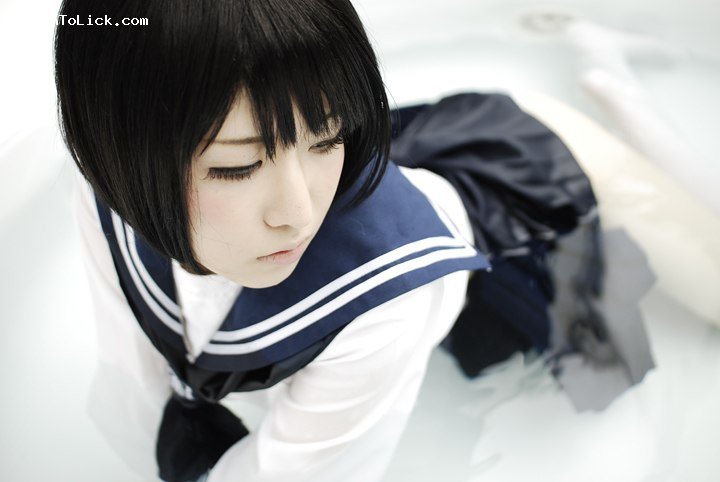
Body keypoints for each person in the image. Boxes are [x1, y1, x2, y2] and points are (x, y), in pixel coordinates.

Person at [54, 0, 596, 481]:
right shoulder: (114, 176)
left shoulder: (390, 295)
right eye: (238, 167)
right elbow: (130, 373)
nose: (299, 214)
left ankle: (605, 70)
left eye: (330, 137)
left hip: (527, 214)